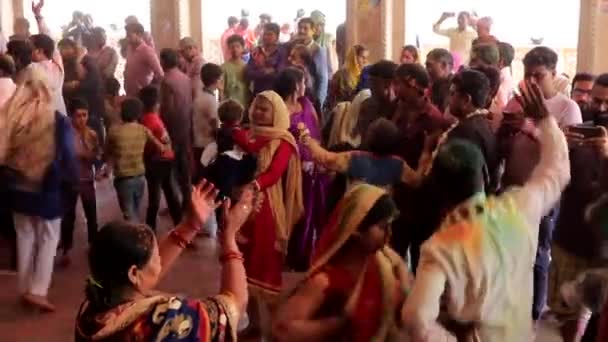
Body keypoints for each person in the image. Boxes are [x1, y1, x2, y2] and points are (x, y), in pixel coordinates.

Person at [403, 81, 570, 341]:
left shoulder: (440, 248)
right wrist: (546, 122)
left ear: (440, 189)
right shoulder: (519, 207)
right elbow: (556, 170)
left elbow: (416, 318)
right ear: (482, 174)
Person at [75, 179, 253, 341]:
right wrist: (230, 237)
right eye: (155, 257)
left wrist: (191, 225)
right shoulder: (162, 322)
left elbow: (142, 279)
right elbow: (233, 306)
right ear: (134, 273)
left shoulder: (92, 310)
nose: (161, 259)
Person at [273, 184, 410, 342]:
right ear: (357, 229)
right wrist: (340, 322)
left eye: (390, 226)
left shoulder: (384, 267)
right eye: (382, 227)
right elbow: (282, 330)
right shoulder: (325, 281)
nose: (389, 234)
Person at [0, 68, 79, 311]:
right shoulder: (57, 120)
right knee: (48, 237)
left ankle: (24, 288)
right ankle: (38, 290)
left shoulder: (8, 117)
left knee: (24, 236)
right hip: (46, 190)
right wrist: (73, 181)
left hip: (15, 188)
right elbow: (67, 155)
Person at [232, 91, 303, 338]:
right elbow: (245, 149)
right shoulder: (250, 133)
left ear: (278, 113)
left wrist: (253, 187)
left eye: (265, 109)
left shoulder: (283, 140)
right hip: (244, 207)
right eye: (257, 107)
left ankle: (276, 328)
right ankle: (254, 324)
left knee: (265, 266)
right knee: (244, 266)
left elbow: (274, 173)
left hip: (265, 209)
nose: (259, 113)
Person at [548, 74, 608, 341]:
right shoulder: (579, 128)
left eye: (607, 102)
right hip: (570, 236)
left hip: (602, 249)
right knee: (565, 315)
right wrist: (558, 145)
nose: (600, 107)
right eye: (596, 100)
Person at [390, 63, 453, 260]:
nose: (394, 88)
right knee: (395, 256)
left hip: (422, 201)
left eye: (398, 83)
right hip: (399, 195)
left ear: (413, 84)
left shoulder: (434, 118)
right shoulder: (398, 110)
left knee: (420, 257)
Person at [274, 67, 327, 272]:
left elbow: (317, 130)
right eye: (303, 82)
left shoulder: (306, 104)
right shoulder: (279, 108)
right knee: (290, 208)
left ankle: (301, 255)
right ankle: (284, 252)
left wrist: (319, 156)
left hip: (310, 165)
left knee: (308, 211)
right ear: (295, 85)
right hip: (289, 166)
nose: (306, 86)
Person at [104, 98, 165, 222]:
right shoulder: (143, 130)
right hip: (140, 177)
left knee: (129, 214)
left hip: (123, 179)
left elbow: (107, 153)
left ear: (122, 112)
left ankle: (136, 238)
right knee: (135, 211)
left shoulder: (114, 131)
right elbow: (161, 148)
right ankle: (139, 235)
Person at [60, 98, 100, 266]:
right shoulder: (65, 134)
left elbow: (97, 157)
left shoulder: (92, 134)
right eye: (78, 116)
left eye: (85, 115)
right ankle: (66, 250)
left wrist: (94, 161)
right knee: (69, 216)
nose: (82, 119)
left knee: (91, 214)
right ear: (71, 116)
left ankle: (94, 246)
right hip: (69, 180)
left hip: (86, 179)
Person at [138, 86, 181, 231]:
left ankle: (152, 232)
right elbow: (150, 144)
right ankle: (155, 231)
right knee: (162, 198)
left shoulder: (148, 118)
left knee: (163, 198)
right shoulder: (151, 120)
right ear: (157, 102)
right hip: (158, 162)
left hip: (159, 162)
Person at [506, 46, 582, 128]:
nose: (531, 81)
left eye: (538, 76)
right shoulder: (514, 103)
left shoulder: (568, 107)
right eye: (527, 75)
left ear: (553, 74)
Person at [159, 48, 194, 213]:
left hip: (173, 127)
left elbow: (168, 108)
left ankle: (176, 206)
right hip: (186, 125)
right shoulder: (185, 77)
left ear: (163, 62)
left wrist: (163, 127)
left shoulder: (166, 81)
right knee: (184, 168)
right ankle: (188, 202)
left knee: (171, 170)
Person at [58, 38, 105, 144]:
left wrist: (76, 86)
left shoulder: (86, 60)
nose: (61, 53)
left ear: (72, 49)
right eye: (60, 50)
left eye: (64, 49)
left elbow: (94, 82)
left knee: (94, 137)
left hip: (91, 106)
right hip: (77, 108)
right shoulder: (66, 63)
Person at [355, 60, 398, 139]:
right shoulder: (367, 106)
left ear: (388, 84)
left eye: (373, 83)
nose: (370, 86)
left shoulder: (401, 109)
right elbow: (365, 140)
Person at [193, 63, 222, 176]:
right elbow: (214, 123)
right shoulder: (209, 100)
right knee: (207, 177)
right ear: (215, 79)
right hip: (206, 143)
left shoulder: (202, 94)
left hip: (199, 140)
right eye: (220, 78)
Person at [296, 17, 329, 111]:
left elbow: (322, 78)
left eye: (305, 28)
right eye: (300, 28)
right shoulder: (292, 46)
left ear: (313, 31)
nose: (301, 31)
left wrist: (318, 103)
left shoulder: (318, 50)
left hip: (309, 96)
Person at [324, 45, 369, 113]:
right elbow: (332, 98)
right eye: (363, 57)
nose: (365, 61)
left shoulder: (364, 75)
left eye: (366, 58)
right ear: (354, 58)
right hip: (342, 112)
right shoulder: (341, 75)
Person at [29, 33, 66, 115]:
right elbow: (55, 50)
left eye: (29, 47)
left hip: (45, 118)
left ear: (39, 51)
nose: (26, 51)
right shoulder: (58, 67)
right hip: (61, 114)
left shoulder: (32, 68)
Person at [123, 22, 164, 96]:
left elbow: (160, 74)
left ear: (139, 35)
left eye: (129, 35)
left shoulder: (147, 51)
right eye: (126, 35)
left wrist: (149, 90)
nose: (127, 38)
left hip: (142, 94)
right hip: (130, 92)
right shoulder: (129, 48)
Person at [246, 23, 286, 96]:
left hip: (276, 93)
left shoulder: (281, 52)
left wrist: (259, 71)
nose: (265, 37)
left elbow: (280, 73)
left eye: (269, 34)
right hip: (258, 92)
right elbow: (249, 73)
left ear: (277, 37)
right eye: (264, 34)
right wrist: (267, 71)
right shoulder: (256, 52)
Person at [222, 34, 251, 107]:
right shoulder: (223, 67)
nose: (235, 49)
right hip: (229, 106)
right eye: (232, 47)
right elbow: (221, 90)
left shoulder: (247, 67)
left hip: (245, 105)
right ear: (229, 48)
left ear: (243, 48)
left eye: (237, 46)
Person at [310, 10, 338, 78]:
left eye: (322, 25)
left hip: (326, 75)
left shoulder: (328, 37)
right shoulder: (306, 38)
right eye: (317, 25)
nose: (320, 28)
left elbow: (332, 62)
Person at [425, 48, 454, 113]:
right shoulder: (434, 85)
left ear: (444, 65)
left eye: (429, 65)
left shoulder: (456, 88)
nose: (427, 70)